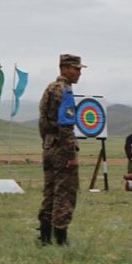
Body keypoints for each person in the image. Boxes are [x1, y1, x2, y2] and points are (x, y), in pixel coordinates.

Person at [37, 54, 85, 246]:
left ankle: (45, 238)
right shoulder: (65, 91)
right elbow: (66, 125)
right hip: (62, 148)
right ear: (64, 68)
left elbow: (42, 120)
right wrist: (70, 154)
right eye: (76, 68)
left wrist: (48, 142)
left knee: (49, 193)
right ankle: (61, 240)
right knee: (65, 192)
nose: (79, 73)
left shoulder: (49, 88)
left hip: (48, 145)